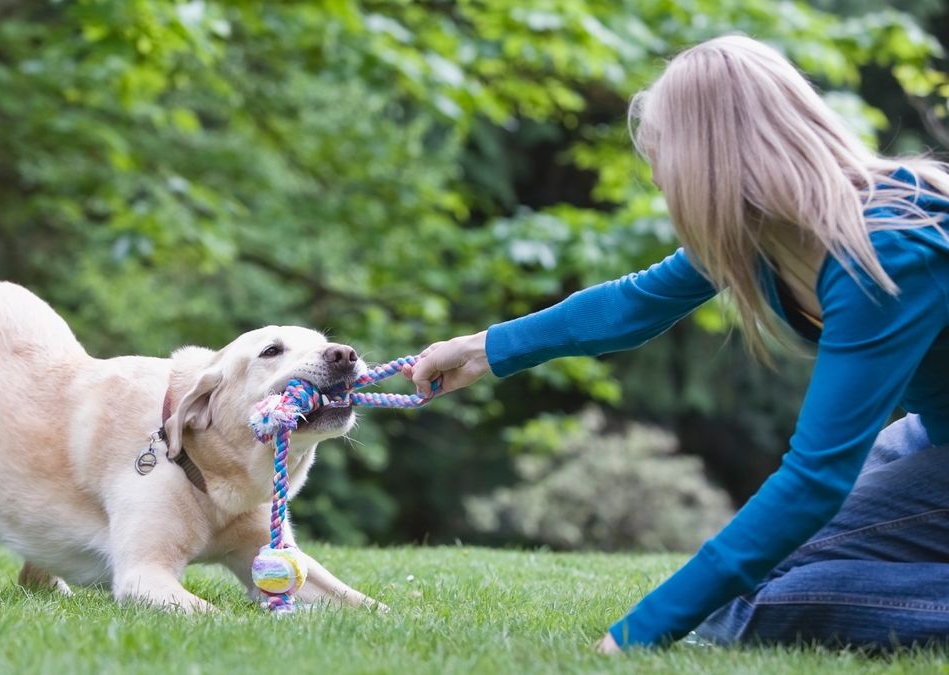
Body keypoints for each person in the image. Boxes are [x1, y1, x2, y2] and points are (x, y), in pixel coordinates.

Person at [404, 35, 949, 651]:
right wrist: (482, 349)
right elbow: (633, 303)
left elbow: (815, 478)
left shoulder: (886, 252)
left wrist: (637, 634)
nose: (659, 177)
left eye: (661, 154)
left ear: (707, 160)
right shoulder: (767, 235)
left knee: (755, 608)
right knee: (747, 585)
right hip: (934, 437)